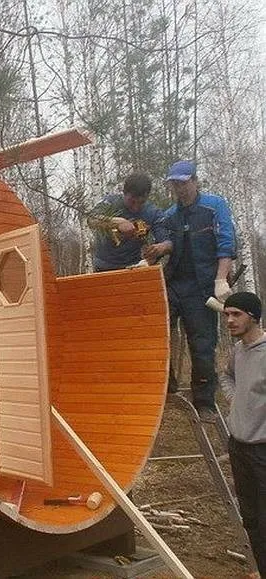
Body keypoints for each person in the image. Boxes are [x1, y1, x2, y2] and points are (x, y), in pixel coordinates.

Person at [143, 160, 237, 422]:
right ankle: (166, 388)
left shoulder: (213, 206)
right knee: (158, 333)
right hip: (173, 284)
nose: (180, 189)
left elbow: (226, 243)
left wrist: (221, 279)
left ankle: (204, 402)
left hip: (203, 287)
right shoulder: (170, 214)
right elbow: (173, 241)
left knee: (202, 343)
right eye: (175, 184)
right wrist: (161, 249)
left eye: (184, 183)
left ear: (195, 181)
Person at [219, 292, 266, 578]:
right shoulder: (237, 351)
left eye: (236, 314)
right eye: (226, 315)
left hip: (263, 449)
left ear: (253, 316)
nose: (229, 320)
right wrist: (235, 399)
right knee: (250, 519)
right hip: (239, 447)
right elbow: (226, 376)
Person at [87, 172, 167, 272]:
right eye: (132, 201)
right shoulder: (110, 203)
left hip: (134, 267)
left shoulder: (153, 213)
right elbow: (91, 219)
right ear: (124, 193)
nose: (136, 207)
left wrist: (157, 250)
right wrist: (116, 222)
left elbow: (166, 241)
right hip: (103, 267)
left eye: (141, 202)